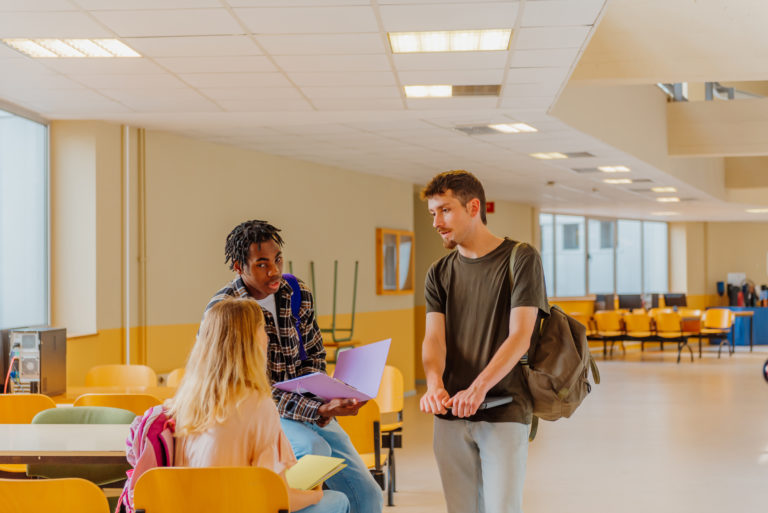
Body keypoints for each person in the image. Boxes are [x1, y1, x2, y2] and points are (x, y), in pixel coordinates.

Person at [204, 220, 383, 513]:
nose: (273, 271)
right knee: (314, 450)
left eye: (277, 260)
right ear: (238, 266)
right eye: (262, 264)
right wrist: (317, 410)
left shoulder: (296, 291)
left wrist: (329, 398)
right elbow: (248, 391)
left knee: (368, 495)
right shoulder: (226, 310)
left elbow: (313, 354)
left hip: (309, 408)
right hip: (259, 415)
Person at [419, 170, 550, 513]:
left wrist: (478, 389)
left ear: (473, 206)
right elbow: (434, 339)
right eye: (433, 213)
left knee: (502, 508)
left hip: (504, 409)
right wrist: (434, 384)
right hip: (450, 416)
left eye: (445, 210)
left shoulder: (520, 259)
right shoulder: (439, 272)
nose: (437, 222)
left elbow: (520, 335)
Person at [171, 298, 349, 513]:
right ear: (249, 340)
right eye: (262, 329)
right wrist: (315, 495)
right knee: (337, 500)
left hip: (194, 507)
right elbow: (276, 499)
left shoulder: (184, 403)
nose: (267, 337)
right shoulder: (257, 405)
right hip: (243, 506)